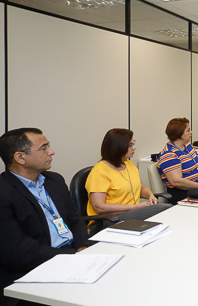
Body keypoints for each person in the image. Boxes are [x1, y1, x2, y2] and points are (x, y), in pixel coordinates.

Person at [0, 128, 88, 306]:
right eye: (44, 147)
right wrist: (73, 256)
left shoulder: (54, 180)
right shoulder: (4, 192)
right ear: (20, 157)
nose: (52, 152)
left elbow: (75, 219)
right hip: (35, 269)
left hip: (75, 258)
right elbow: (19, 252)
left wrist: (84, 247)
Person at [86, 129, 169, 230]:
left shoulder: (129, 165)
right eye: (130, 145)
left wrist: (150, 195)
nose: (135, 147)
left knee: (164, 213)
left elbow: (141, 188)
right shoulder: (99, 172)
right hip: (108, 220)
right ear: (117, 147)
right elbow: (100, 207)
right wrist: (135, 208)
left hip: (128, 214)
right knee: (164, 209)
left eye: (133, 143)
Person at [157, 118, 198, 205]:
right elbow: (177, 182)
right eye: (188, 130)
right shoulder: (169, 154)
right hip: (184, 193)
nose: (191, 132)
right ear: (180, 134)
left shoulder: (188, 146)